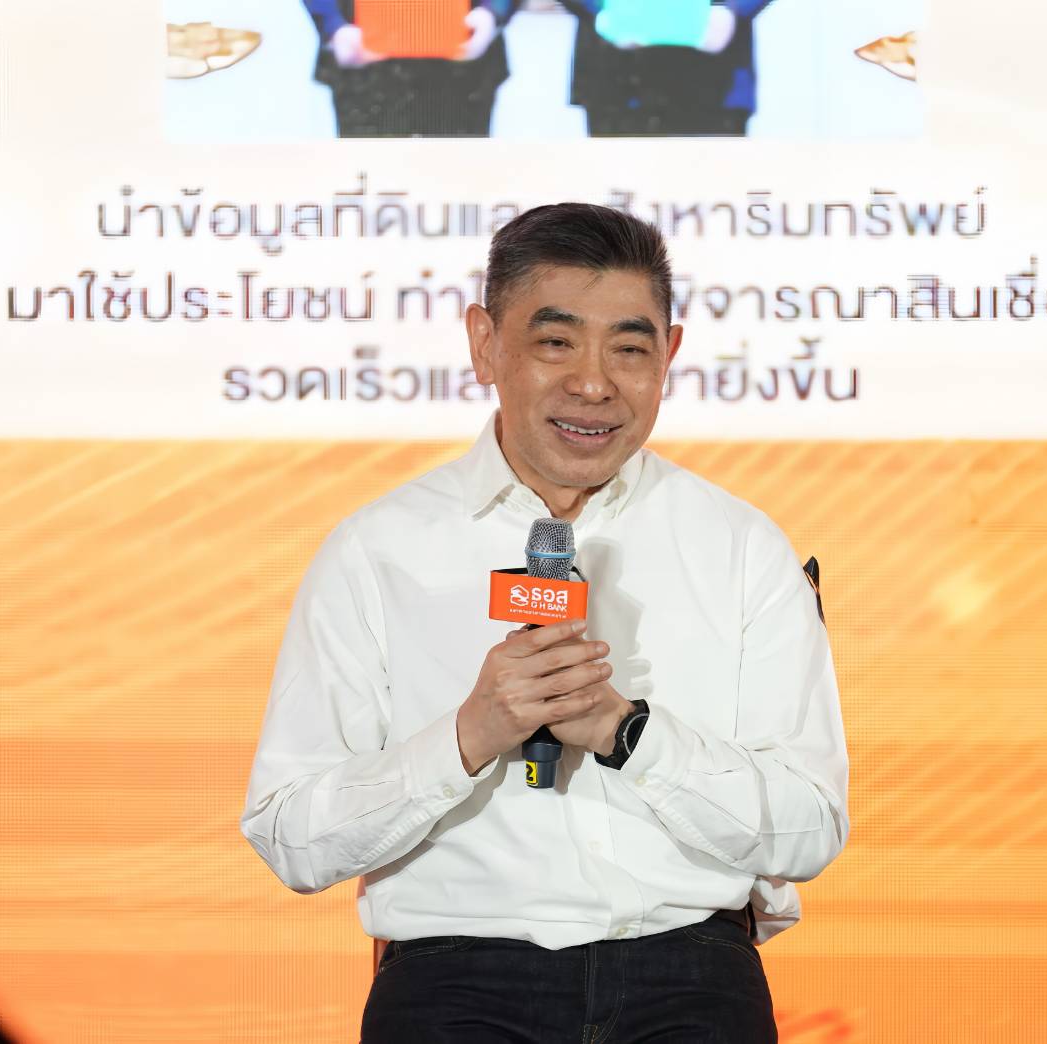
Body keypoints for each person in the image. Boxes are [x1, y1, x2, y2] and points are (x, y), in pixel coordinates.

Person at [240, 202, 849, 1041]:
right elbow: (291, 839)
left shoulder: (741, 546)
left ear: (669, 355)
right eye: (556, 342)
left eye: (629, 349)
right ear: (484, 343)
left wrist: (627, 734)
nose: (593, 384)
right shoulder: (377, 550)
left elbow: (809, 830)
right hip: (456, 987)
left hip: (690, 981)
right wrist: (468, 736)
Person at [560, 0, 775, 136]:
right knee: (618, 181)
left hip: (716, 78)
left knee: (710, 183)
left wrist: (734, 8)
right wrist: (604, 9)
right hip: (615, 76)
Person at [303, 1, 515, 137]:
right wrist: (333, 24)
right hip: (362, 64)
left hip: (464, 65)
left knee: (457, 178)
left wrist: (493, 11)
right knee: (371, 178)